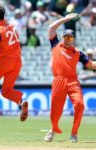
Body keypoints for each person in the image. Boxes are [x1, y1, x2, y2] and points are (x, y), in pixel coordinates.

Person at [44, 13, 96, 142]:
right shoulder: (56, 45)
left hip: (73, 82)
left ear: (73, 39)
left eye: (70, 38)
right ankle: (53, 129)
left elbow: (91, 65)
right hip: (58, 80)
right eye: (66, 37)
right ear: (62, 38)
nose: (68, 40)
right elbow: (51, 28)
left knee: (79, 105)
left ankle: (74, 133)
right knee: (56, 110)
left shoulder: (77, 53)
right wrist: (65, 19)